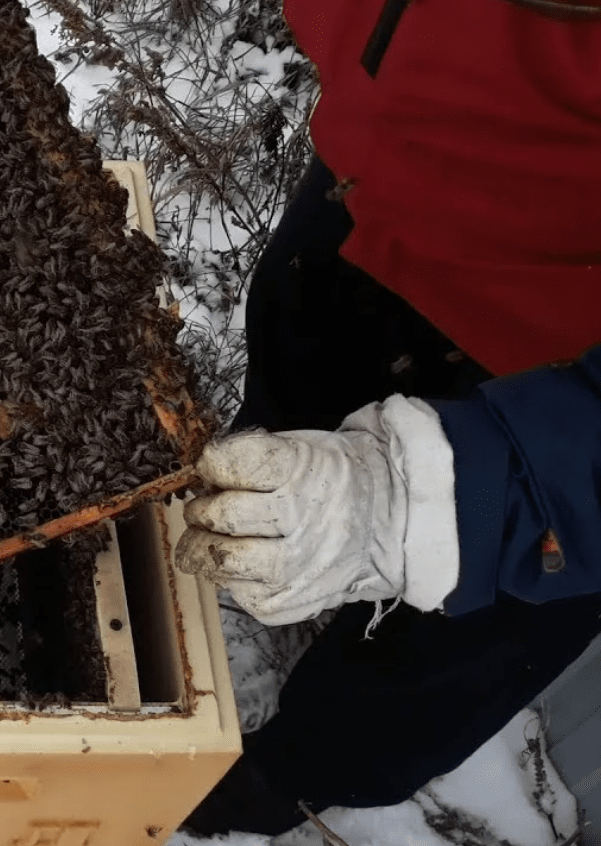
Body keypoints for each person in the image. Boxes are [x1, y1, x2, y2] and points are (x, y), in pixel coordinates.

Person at [176, 0, 601, 834]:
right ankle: (254, 593)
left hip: (554, 387)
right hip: (369, 191)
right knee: (280, 425)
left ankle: (280, 781)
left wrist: (447, 502)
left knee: (441, 656)